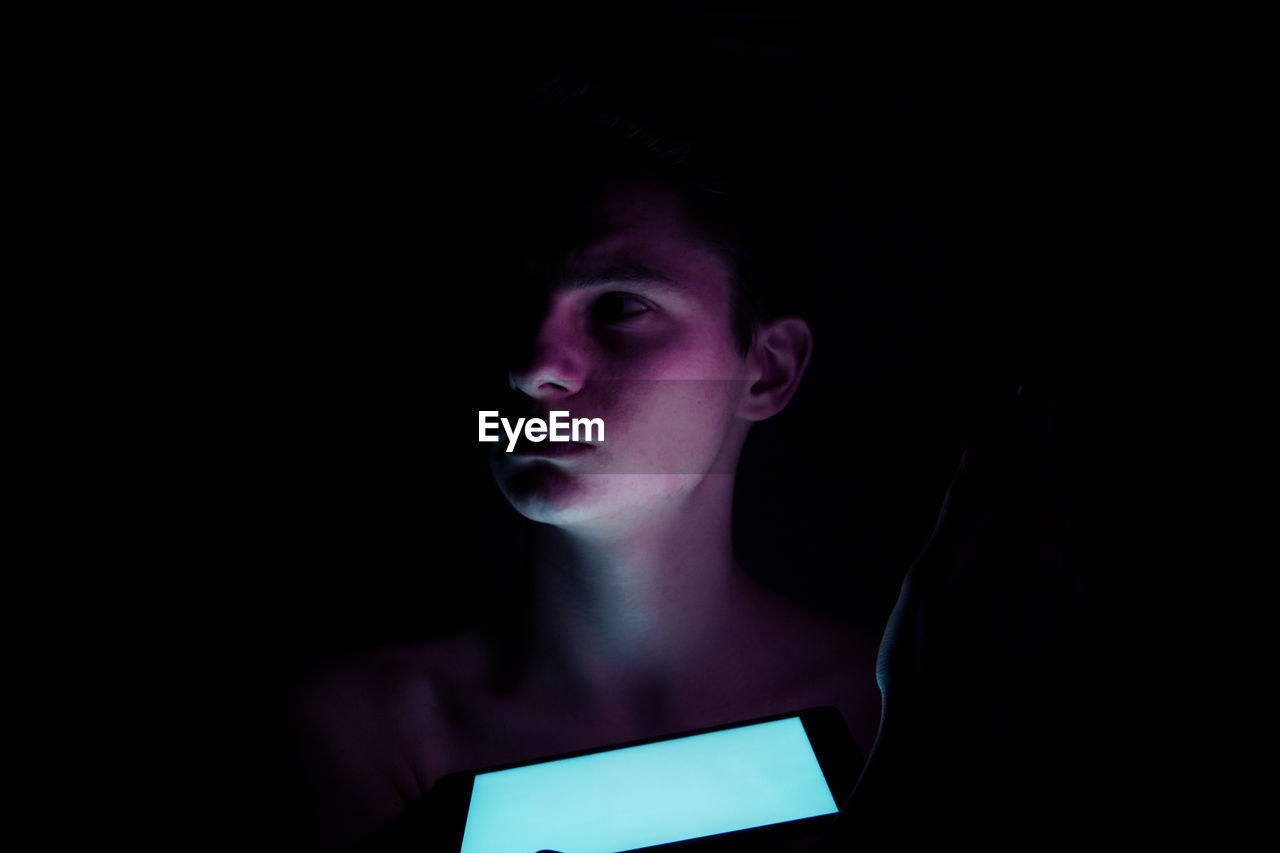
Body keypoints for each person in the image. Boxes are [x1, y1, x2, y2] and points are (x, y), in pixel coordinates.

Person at [285, 75, 882, 848]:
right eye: (509, 302)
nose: (535, 366)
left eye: (618, 307)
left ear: (765, 370)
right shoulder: (369, 730)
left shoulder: (887, 712)